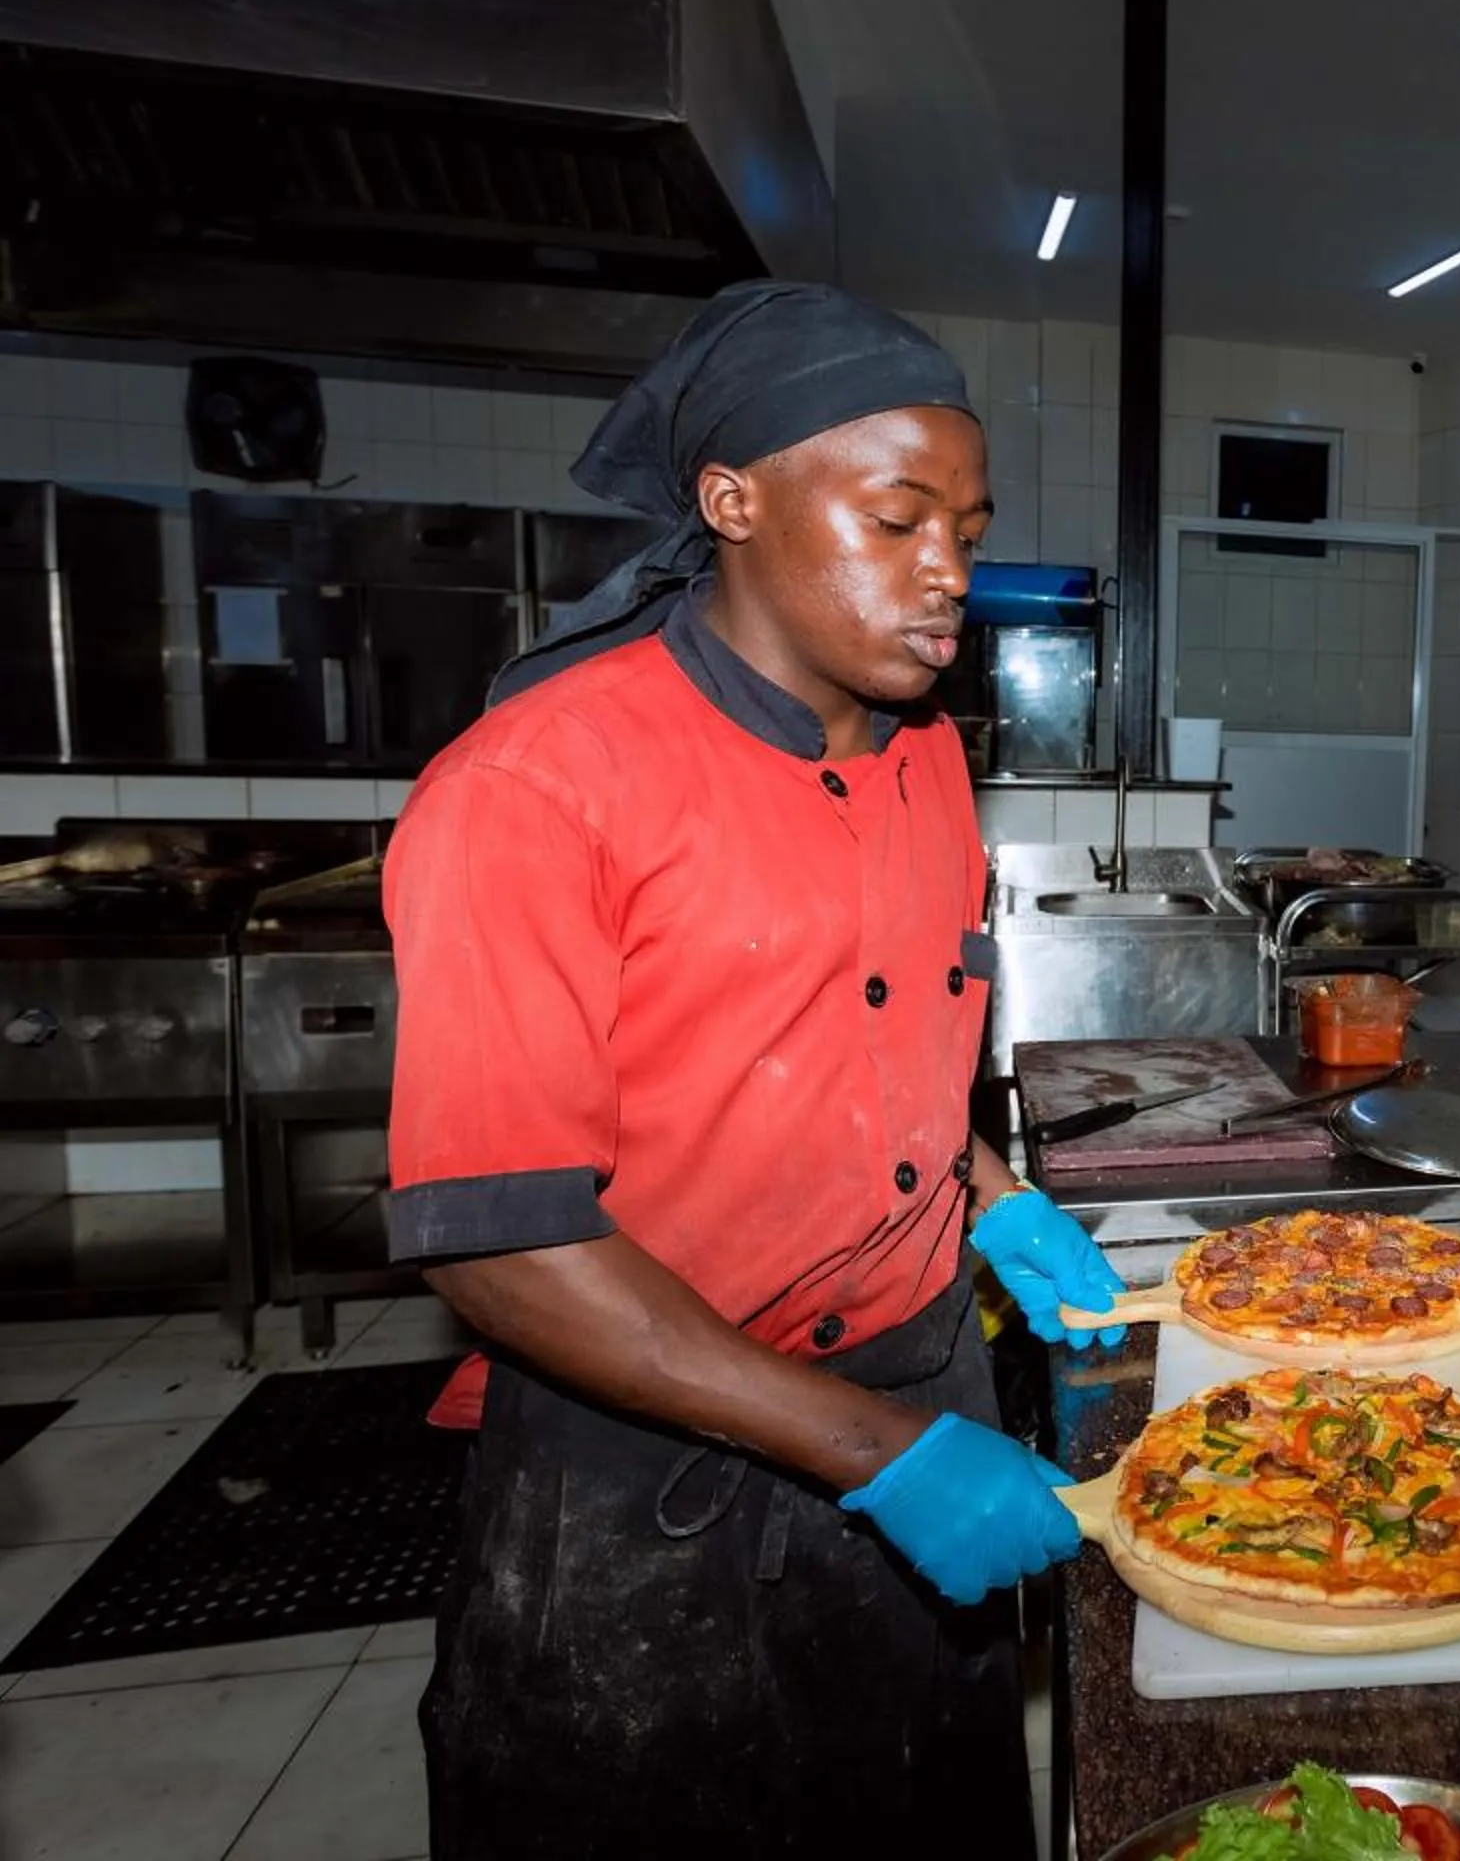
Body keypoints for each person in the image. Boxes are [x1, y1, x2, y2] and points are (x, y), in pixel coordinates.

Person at [381, 282, 1124, 1857]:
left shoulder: (923, 750)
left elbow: (873, 1044)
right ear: (732, 500)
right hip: (653, 1465)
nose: (951, 577)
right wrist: (883, 1453)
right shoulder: (538, 786)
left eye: (969, 531)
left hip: (928, 1382)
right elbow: (507, 1246)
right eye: (898, 520)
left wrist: (988, 1202)